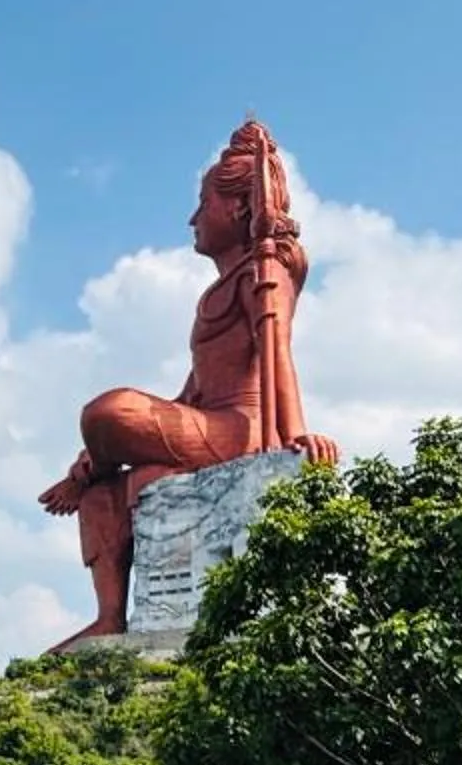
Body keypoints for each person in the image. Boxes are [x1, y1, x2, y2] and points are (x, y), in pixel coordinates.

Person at [37, 118, 337, 639]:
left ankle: (93, 463)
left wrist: (295, 438)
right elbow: (189, 396)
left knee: (108, 412)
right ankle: (110, 618)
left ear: (239, 206)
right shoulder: (214, 293)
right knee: (102, 494)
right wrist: (91, 468)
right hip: (205, 425)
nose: (194, 218)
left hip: (240, 432)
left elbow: (276, 351)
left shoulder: (264, 273)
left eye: (204, 204)